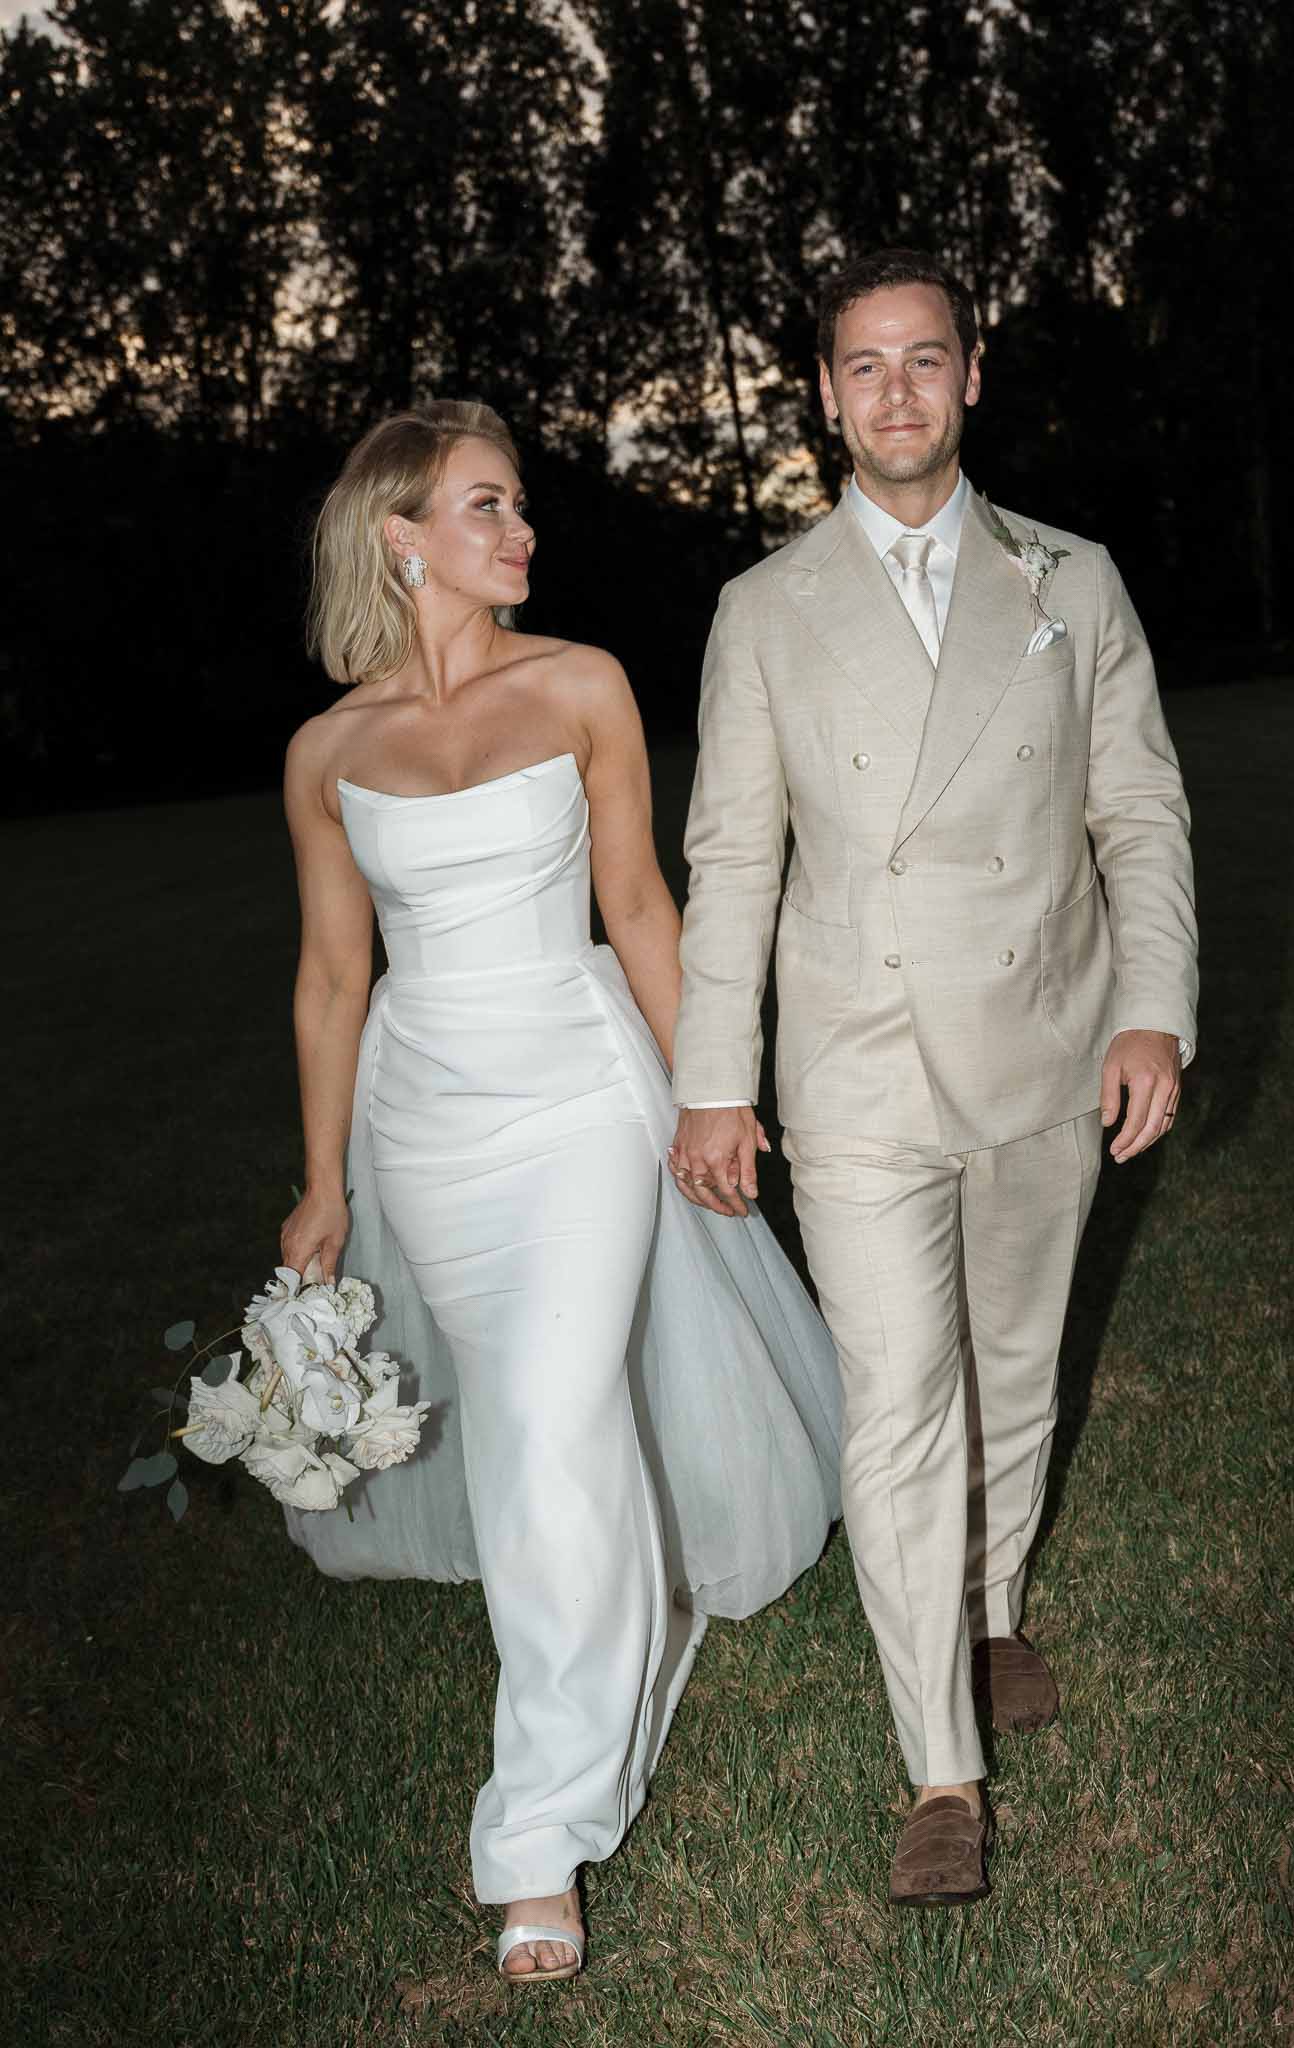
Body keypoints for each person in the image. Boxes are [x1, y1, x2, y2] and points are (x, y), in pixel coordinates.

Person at [277, 399, 841, 1980]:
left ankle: (536, 1832)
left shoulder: (581, 684)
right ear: (399, 537)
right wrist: (322, 1185)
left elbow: (643, 907)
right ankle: (594, 1638)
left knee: (545, 1418)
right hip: (426, 1124)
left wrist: (709, 1094)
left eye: (518, 505)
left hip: (582, 1097)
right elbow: (331, 980)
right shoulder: (328, 750)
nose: (519, 533)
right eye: (482, 507)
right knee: (539, 1437)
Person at [668, 250, 1198, 1907]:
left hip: (1046, 1030)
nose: (896, 391)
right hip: (858, 1060)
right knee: (900, 1401)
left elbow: (1139, 813)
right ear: (824, 395)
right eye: (862, 366)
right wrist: (711, 1076)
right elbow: (731, 855)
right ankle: (939, 1772)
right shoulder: (762, 608)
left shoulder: (1071, 580)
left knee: (1018, 1359)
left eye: (925, 359)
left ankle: (990, 1611)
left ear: (969, 378)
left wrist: (1151, 1011)